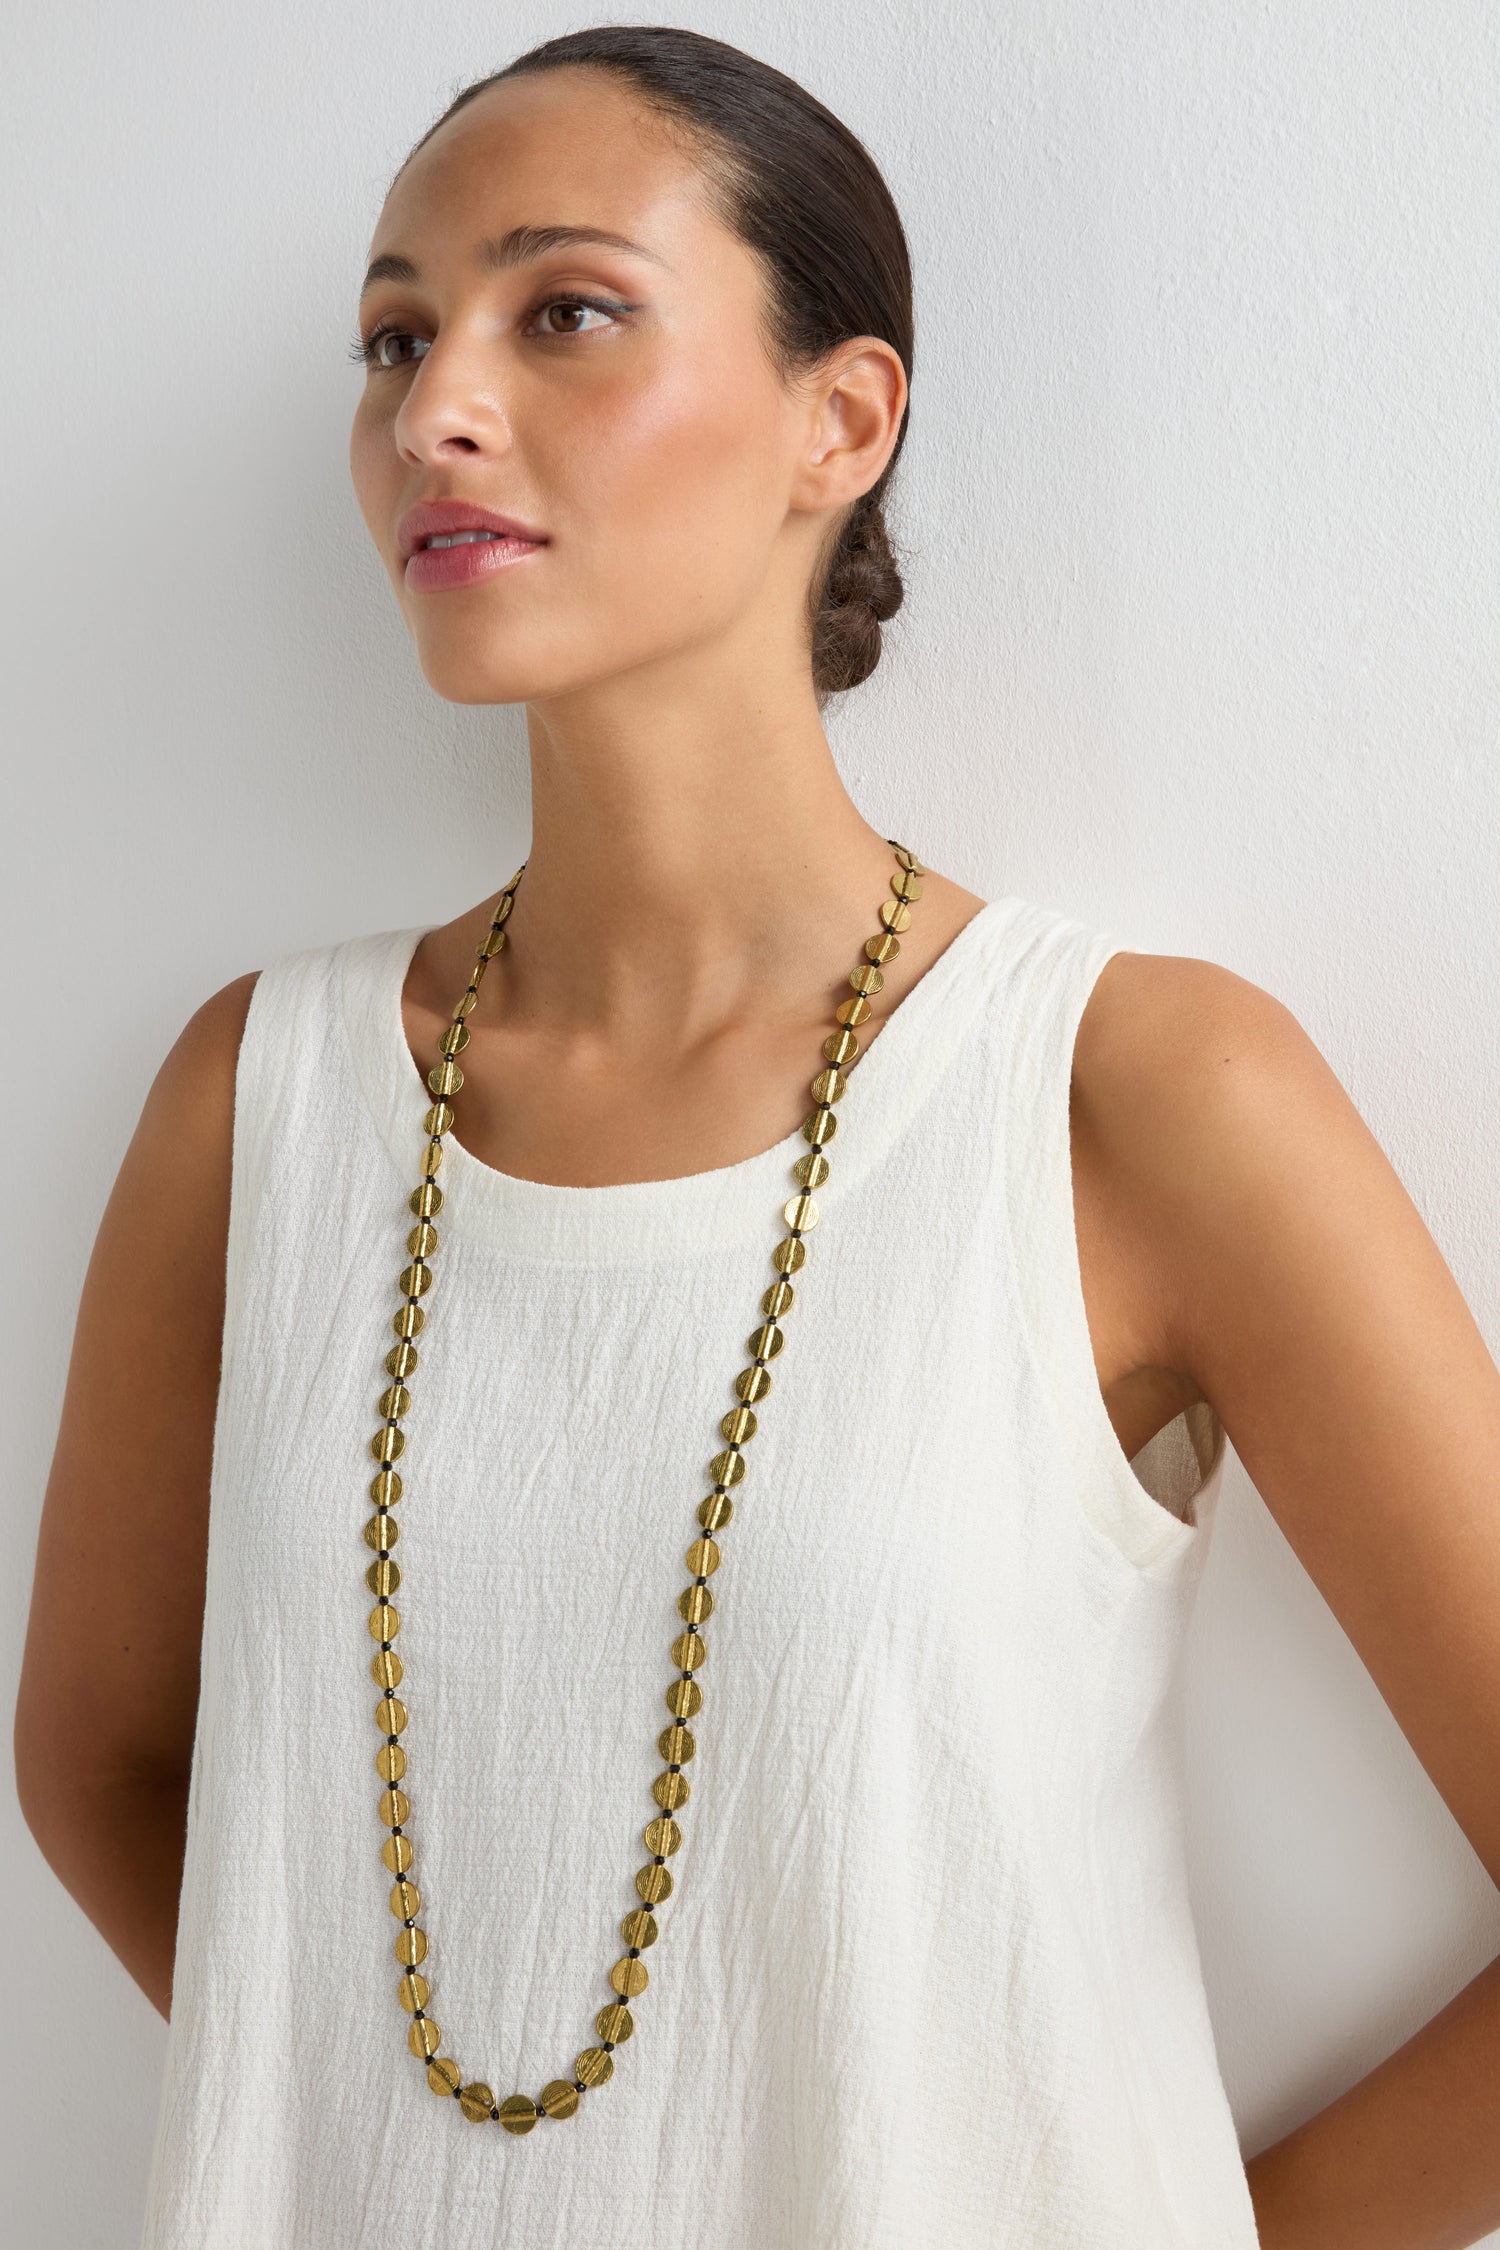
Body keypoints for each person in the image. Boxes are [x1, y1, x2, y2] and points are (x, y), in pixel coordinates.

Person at [16, 23, 1500, 2250]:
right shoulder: (265, 1098)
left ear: (845, 418)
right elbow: (99, 1761)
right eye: (394, 335)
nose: (435, 403)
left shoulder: (1128, 1092)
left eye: (567, 309)